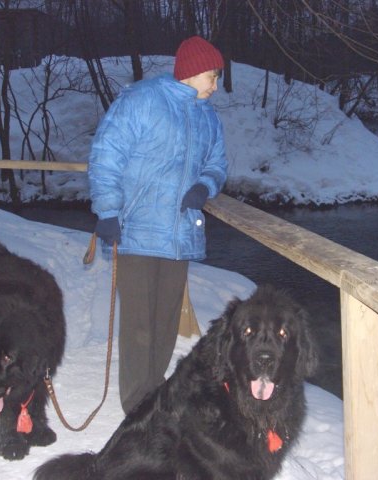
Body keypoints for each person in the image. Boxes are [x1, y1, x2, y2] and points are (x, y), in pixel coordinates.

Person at [88, 36, 228, 414]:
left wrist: (205, 185)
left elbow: (218, 163)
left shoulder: (207, 117)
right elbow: (106, 156)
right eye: (213, 76)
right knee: (138, 326)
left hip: (180, 236)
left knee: (165, 324)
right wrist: (107, 212)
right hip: (134, 231)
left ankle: (155, 395)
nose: (215, 85)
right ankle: (138, 408)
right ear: (194, 70)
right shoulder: (142, 101)